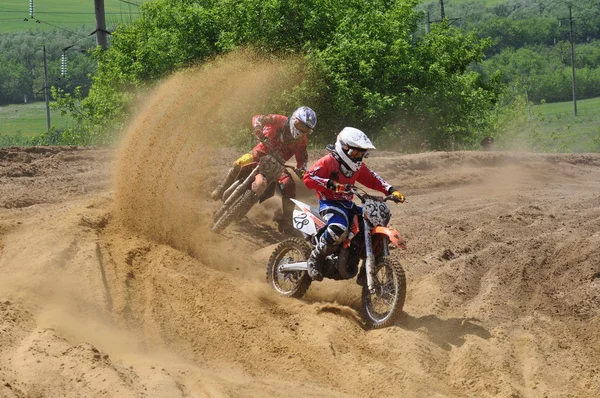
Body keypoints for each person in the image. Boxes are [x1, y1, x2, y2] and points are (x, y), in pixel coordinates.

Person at [302, 127, 405, 281]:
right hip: (330, 203)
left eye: (361, 154)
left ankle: (368, 267)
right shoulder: (328, 161)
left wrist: (390, 190)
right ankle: (315, 258)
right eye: (354, 153)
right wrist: (330, 184)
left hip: (348, 204)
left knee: (370, 224)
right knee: (339, 228)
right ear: (343, 147)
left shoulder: (358, 167)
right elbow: (308, 178)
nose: (357, 157)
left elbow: (373, 179)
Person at [211, 106, 317, 234]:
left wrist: (302, 170)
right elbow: (259, 118)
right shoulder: (279, 120)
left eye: (305, 128)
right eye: (300, 125)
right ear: (294, 119)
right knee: (240, 162)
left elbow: (303, 158)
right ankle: (223, 187)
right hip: (261, 151)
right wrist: (258, 128)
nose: (301, 130)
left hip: (278, 164)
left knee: (289, 184)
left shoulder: (302, 142)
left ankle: (286, 220)